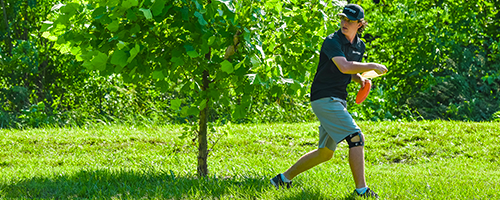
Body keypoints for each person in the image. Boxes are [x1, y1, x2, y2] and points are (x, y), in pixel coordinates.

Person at [270, 4, 388, 198]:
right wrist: (370, 65)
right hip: (324, 97)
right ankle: (362, 191)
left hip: (338, 99)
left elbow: (344, 71)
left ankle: (282, 180)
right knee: (356, 137)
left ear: (359, 24)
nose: (344, 23)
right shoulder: (332, 41)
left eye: (350, 20)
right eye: (343, 18)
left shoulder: (360, 46)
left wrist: (359, 78)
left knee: (325, 153)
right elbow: (343, 66)